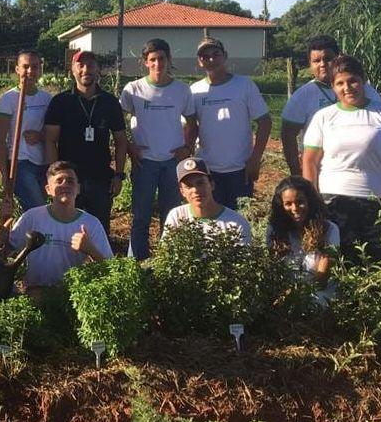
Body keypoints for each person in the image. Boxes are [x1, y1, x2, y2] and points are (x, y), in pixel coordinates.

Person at [303, 55, 381, 263]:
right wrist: (314, 201)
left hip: (378, 202)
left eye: (352, 80)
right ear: (333, 87)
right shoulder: (323, 117)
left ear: (363, 81)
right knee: (337, 262)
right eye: (340, 83)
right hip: (332, 202)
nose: (347, 87)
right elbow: (310, 162)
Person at [121, 39, 198, 260]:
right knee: (141, 217)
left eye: (161, 58)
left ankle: (167, 262)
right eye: (152, 60)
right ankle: (136, 263)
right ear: (145, 62)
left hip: (172, 163)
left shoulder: (181, 90)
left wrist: (186, 147)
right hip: (144, 162)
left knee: (171, 216)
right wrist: (130, 146)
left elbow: (192, 122)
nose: (157, 64)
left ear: (169, 59)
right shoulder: (133, 89)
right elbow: (120, 122)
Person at [0, 161, 112, 291]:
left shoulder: (91, 223)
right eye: (59, 181)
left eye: (70, 181)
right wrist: (0, 241)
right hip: (35, 293)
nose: (65, 185)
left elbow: (111, 268)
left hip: (70, 296)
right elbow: (4, 253)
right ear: (48, 189)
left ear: (78, 188)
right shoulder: (32, 217)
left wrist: (90, 250)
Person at [44, 50, 127, 233]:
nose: (85, 69)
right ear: (72, 70)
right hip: (70, 180)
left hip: (100, 178)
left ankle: (99, 262)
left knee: (99, 230)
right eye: (80, 65)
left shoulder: (110, 102)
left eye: (90, 65)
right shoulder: (60, 102)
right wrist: (54, 176)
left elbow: (121, 141)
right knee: (67, 229)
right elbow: (50, 141)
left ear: (98, 70)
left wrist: (119, 175)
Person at [281, 36, 381, 175]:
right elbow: (288, 135)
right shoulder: (303, 95)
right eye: (316, 61)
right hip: (321, 173)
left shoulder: (363, 89)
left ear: (338, 58)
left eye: (328, 58)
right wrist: (296, 173)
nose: (322, 64)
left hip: (364, 171)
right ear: (310, 64)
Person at [190, 37, 271, 210]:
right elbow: (189, 127)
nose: (211, 60)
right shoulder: (195, 91)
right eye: (205, 57)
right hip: (208, 170)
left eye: (215, 54)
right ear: (199, 61)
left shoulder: (244, 85)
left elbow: (264, 122)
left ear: (225, 56)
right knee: (211, 222)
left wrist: (255, 159)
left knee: (239, 221)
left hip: (241, 169)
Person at [266, 176, 339, 305]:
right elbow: (274, 272)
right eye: (288, 204)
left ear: (310, 201)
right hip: (284, 294)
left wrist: (294, 296)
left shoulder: (329, 229)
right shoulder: (274, 231)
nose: (295, 208)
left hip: (318, 294)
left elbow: (322, 278)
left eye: (300, 202)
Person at [0, 49, 52, 211]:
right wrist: (5, 176)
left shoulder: (46, 99)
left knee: (38, 210)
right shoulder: (9, 99)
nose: (30, 71)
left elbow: (52, 133)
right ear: (17, 69)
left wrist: (40, 136)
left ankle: (30, 236)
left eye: (34, 67)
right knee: (38, 209)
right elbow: (0, 140)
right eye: (25, 66)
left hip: (44, 162)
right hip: (20, 163)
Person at [162, 157, 251, 245]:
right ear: (182, 192)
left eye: (200, 183)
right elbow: (165, 254)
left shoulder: (237, 223)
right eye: (188, 186)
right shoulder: (176, 216)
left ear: (212, 184)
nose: (195, 190)